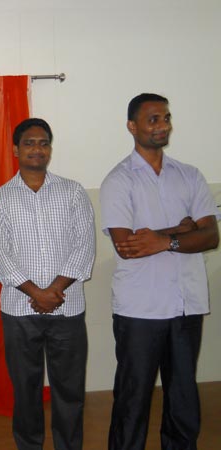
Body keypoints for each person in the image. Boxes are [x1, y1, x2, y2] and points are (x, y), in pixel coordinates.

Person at [100, 93, 220, 450]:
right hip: (140, 308)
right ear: (132, 126)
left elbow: (210, 235)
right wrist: (179, 232)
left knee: (183, 399)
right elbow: (127, 246)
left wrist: (162, 240)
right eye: (153, 119)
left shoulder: (189, 175)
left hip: (186, 305)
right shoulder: (119, 180)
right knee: (132, 399)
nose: (163, 125)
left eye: (166, 117)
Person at [0, 118, 96, 450]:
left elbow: (84, 246)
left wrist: (54, 292)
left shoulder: (73, 191)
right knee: (26, 390)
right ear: (16, 149)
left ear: (50, 148)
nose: (37, 149)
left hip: (68, 308)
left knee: (69, 390)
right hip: (20, 311)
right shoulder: (0, 198)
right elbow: (1, 255)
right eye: (30, 143)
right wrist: (37, 293)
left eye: (44, 143)